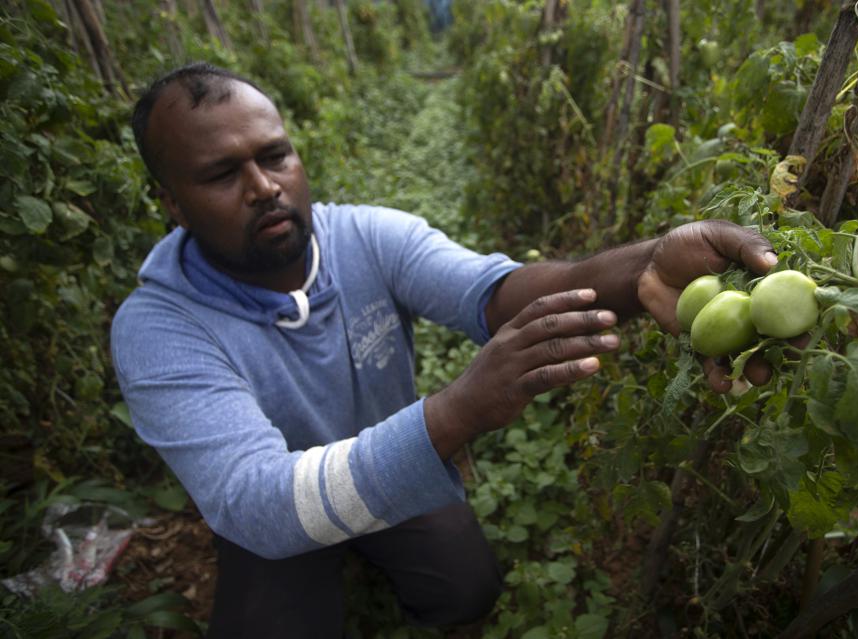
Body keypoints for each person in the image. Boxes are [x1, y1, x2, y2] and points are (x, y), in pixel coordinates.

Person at [111, 63, 777, 638]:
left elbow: (496, 293)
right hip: (277, 509)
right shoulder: (160, 328)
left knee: (467, 588)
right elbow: (260, 501)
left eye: (275, 155)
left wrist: (646, 267)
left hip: (392, 460)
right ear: (173, 202)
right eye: (222, 173)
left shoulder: (368, 238)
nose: (263, 186)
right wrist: (453, 414)